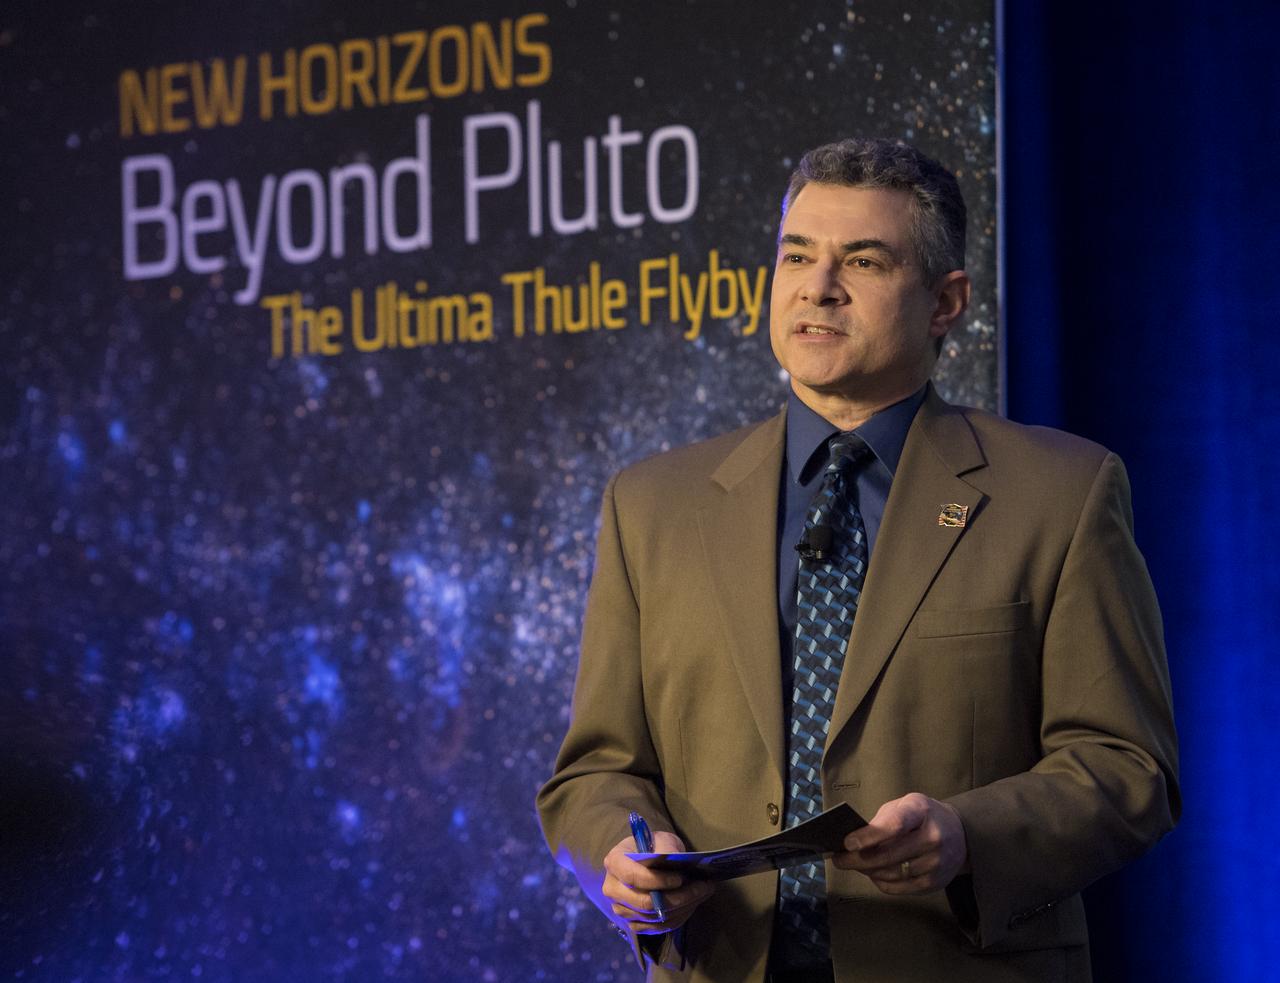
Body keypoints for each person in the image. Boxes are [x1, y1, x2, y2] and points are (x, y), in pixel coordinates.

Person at [536, 138, 1179, 983]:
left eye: (863, 261)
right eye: (796, 255)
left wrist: (966, 835)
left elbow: (1129, 766)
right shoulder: (654, 505)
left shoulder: (1060, 493)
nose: (817, 286)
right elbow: (596, 768)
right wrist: (620, 853)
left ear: (946, 302)